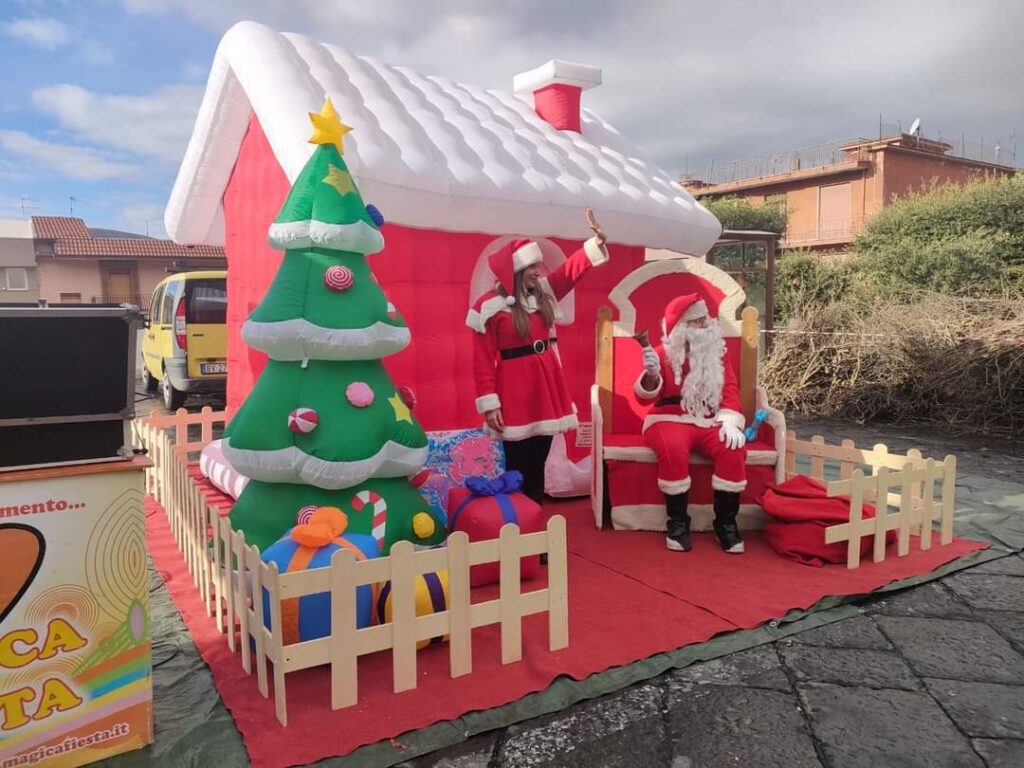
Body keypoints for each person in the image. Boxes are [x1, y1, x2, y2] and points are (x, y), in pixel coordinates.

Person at [468, 209, 610, 506]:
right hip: (514, 392)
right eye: (532, 266)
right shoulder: (490, 307)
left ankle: (534, 530)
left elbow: (570, 271)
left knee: (537, 468)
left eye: (538, 265)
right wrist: (489, 404)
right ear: (515, 270)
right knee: (517, 469)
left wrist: (595, 242)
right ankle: (515, 533)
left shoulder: (544, 294)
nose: (538, 271)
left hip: (545, 387)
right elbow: (482, 361)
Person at [635, 293, 748, 554]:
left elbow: (729, 387)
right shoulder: (662, 354)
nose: (706, 325)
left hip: (709, 419)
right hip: (668, 417)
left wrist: (730, 419)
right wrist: (651, 376)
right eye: (697, 321)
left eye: (706, 319)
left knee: (732, 448)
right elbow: (642, 399)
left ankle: (726, 524)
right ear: (683, 327)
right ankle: (677, 523)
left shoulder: (718, 354)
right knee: (672, 447)